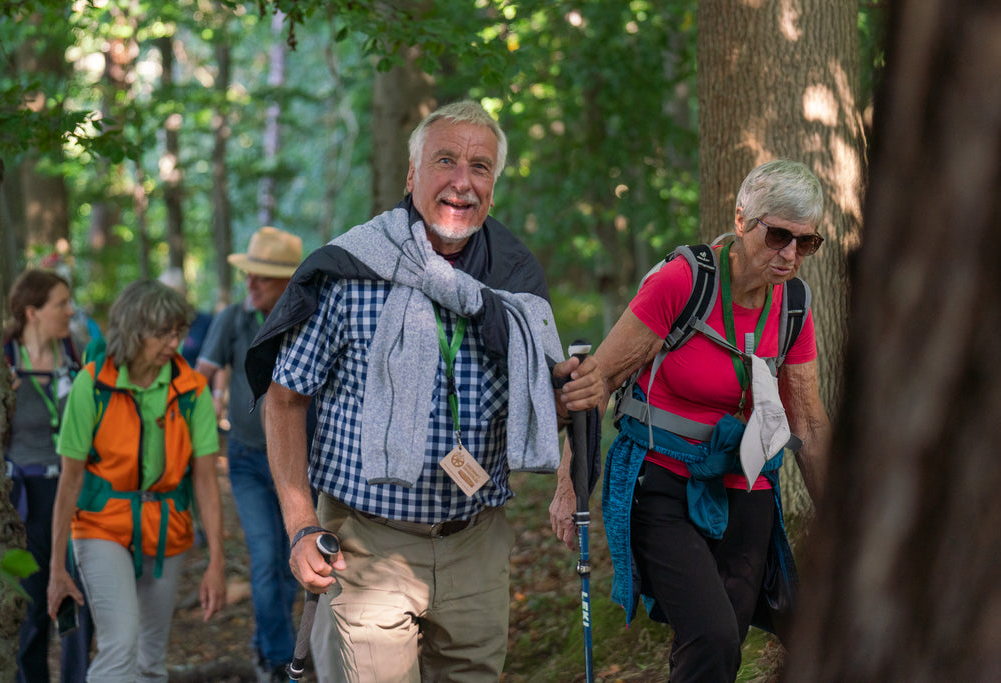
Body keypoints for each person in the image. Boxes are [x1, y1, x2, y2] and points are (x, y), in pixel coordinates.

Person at [242, 100, 603, 683]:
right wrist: (301, 525)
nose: (463, 181)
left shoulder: (514, 284)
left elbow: (541, 403)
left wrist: (575, 405)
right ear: (411, 176)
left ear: (494, 186)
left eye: (481, 167)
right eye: (445, 161)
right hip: (366, 545)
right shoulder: (350, 271)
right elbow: (285, 399)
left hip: (478, 543)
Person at [550, 159, 831, 682]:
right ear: (742, 219)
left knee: (722, 643)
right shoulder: (686, 280)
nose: (790, 254)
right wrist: (570, 485)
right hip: (660, 484)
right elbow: (598, 380)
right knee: (713, 634)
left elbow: (811, 427)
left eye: (807, 243)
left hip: (745, 487)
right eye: (777, 236)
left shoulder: (794, 304)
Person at [46, 278, 226, 682]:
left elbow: (205, 483)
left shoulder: (192, 390)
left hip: (167, 530)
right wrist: (58, 567)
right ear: (133, 329)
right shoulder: (91, 384)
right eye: (163, 332)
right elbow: (70, 481)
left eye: (178, 331)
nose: (174, 343)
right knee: (121, 643)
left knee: (151, 659)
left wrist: (217, 560)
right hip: (100, 526)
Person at [197, 226, 343, 683]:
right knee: (264, 557)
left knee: (291, 560)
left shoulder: (312, 318)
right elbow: (197, 378)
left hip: (305, 461)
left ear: (288, 283)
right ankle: (280, 660)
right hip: (246, 460)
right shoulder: (232, 320)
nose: (251, 284)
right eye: (250, 275)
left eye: (263, 276)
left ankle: (271, 644)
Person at [3, 269, 93, 683]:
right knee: (33, 609)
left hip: (77, 488)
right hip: (26, 495)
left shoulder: (76, 352)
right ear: (32, 311)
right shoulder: (2, 359)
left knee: (81, 602)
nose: (69, 310)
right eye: (60, 303)